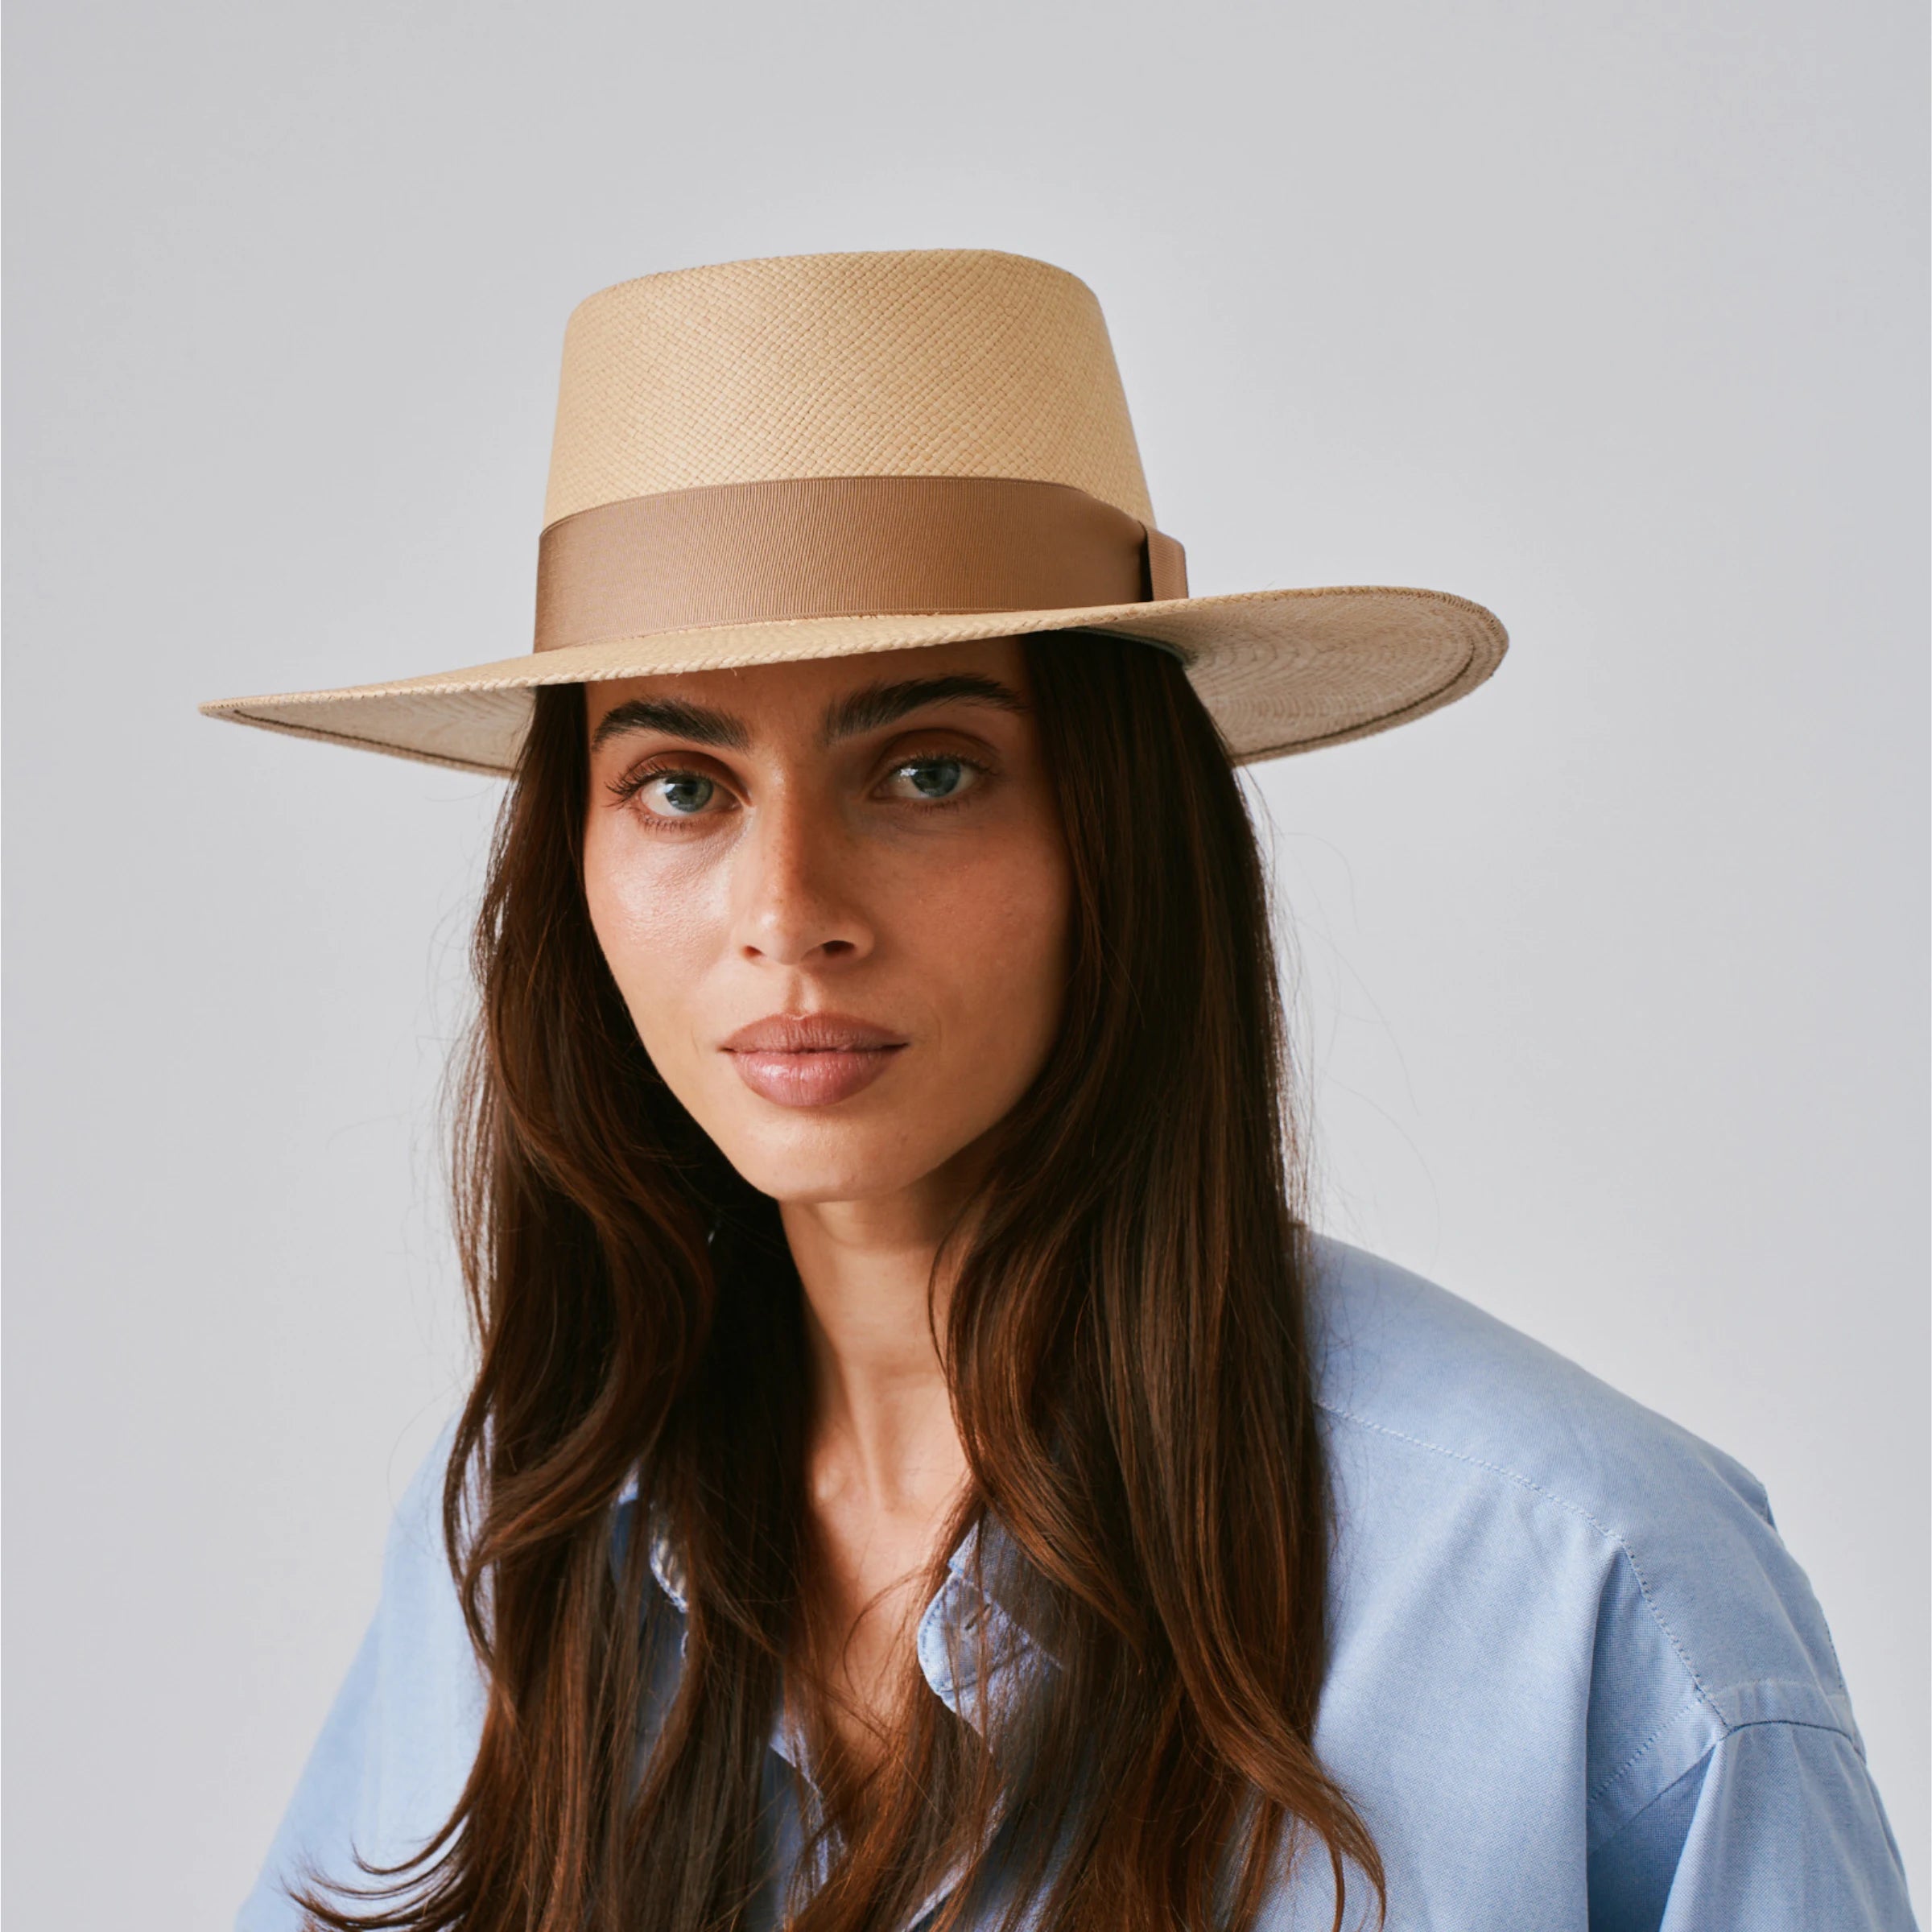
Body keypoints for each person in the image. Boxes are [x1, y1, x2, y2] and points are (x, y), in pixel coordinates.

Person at [206, 250, 1915, 1932]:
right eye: (680, 785)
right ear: (568, 860)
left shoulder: (1580, 1578)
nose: (789, 911)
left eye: (926, 770)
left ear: (1123, 827)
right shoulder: (525, 1540)